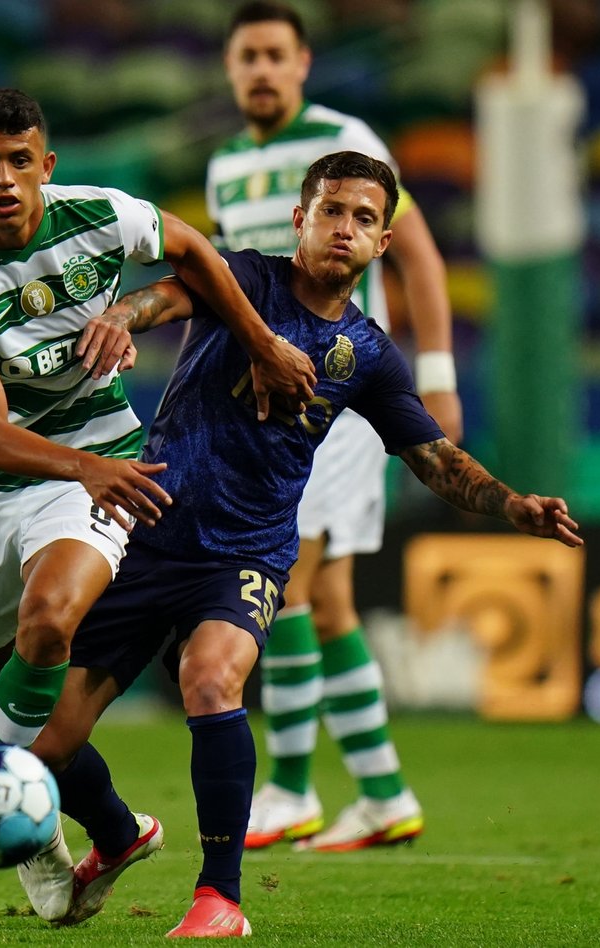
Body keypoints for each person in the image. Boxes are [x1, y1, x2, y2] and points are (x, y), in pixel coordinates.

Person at [23, 152, 582, 937]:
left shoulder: (370, 355)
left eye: (362, 218)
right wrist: (123, 316)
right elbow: (172, 294)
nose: (343, 228)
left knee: (211, 679)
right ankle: (118, 834)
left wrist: (513, 504)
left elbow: (434, 458)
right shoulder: (248, 278)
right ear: (300, 221)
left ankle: (220, 899)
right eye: (331, 211)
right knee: (51, 740)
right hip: (149, 533)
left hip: (246, 553)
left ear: (382, 243)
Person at [0, 87, 316, 919]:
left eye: (19, 162)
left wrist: (260, 343)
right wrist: (81, 466)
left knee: (50, 622)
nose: (4, 180)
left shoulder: (103, 217)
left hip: (104, 462)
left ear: (47, 166)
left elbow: (195, 250)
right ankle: (104, 835)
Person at [208, 1, 464, 853]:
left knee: (284, 586)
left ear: (304, 63)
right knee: (328, 604)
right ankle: (385, 794)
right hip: (265, 408)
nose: (262, 70)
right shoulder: (223, 167)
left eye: (277, 54)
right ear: (230, 67)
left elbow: (419, 254)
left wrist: (435, 375)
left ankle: (285, 789)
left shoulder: (346, 138)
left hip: (339, 397)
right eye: (248, 56)